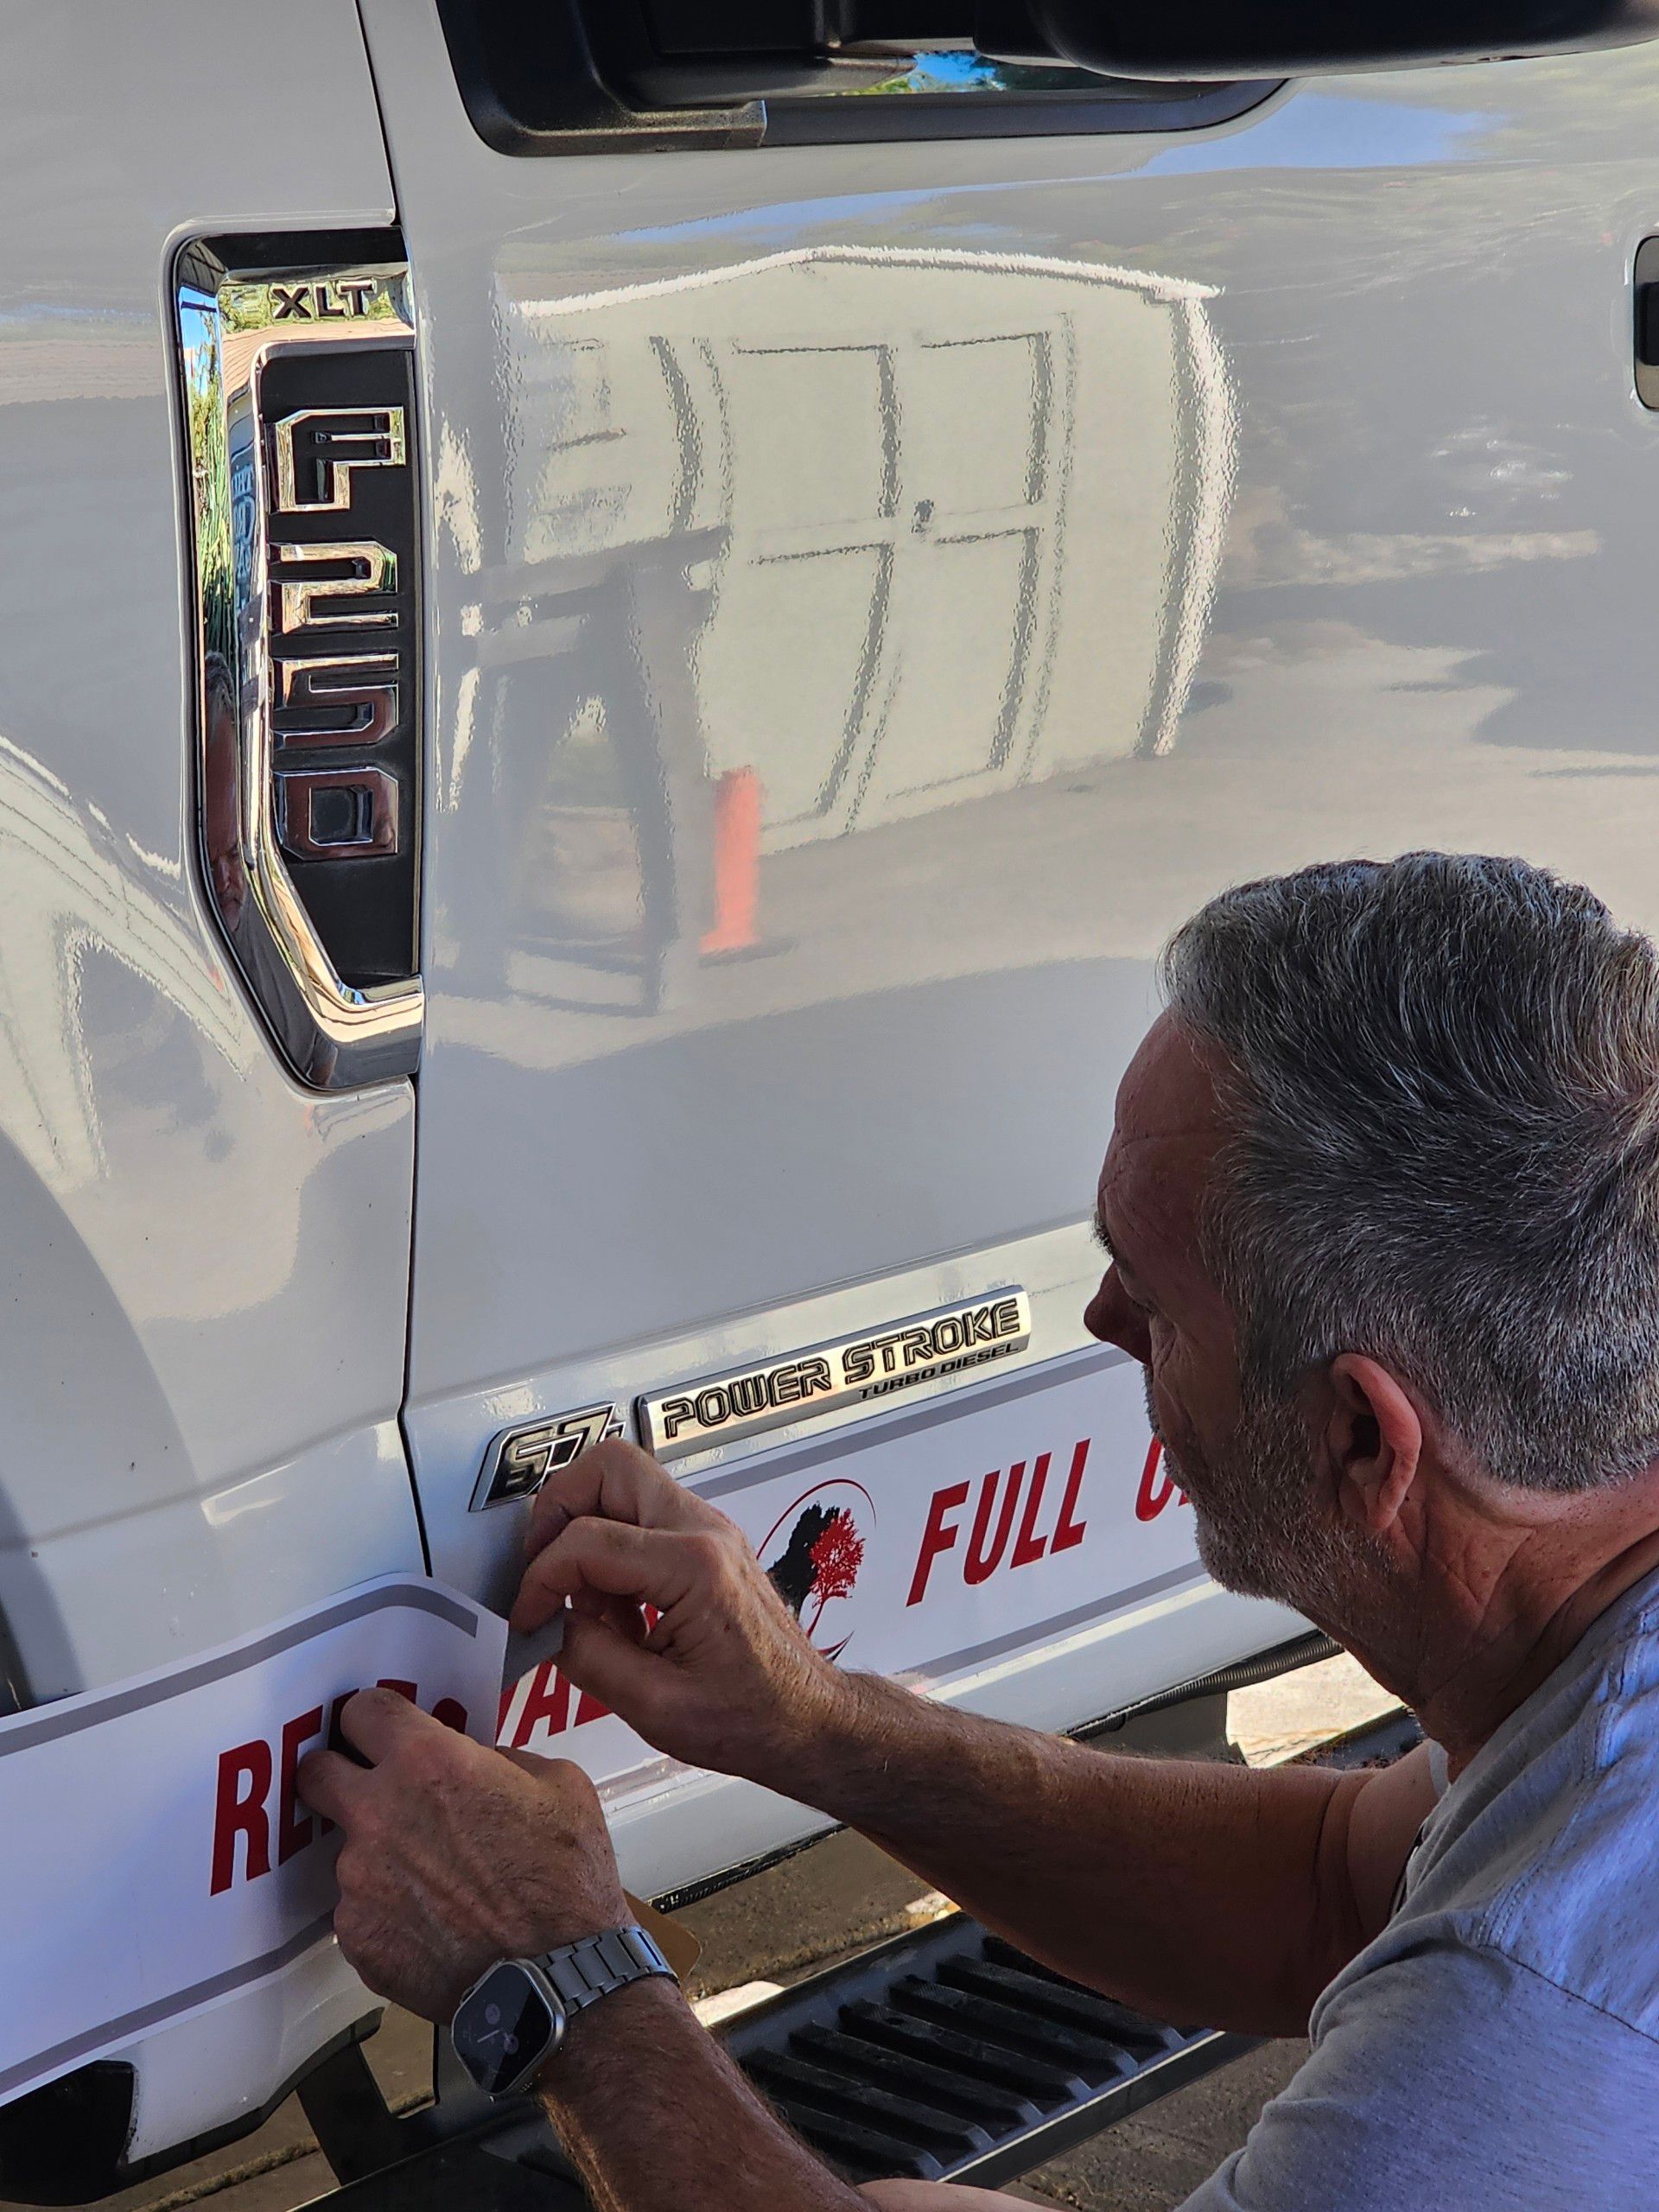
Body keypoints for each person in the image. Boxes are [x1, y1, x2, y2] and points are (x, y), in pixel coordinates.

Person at [299, 852, 1659, 2210]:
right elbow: (1327, 1888)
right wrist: (816, 1727)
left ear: (1362, 1437)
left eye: (1155, 1302)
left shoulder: (1524, 2025)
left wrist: (560, 1976)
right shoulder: (1584, 1687)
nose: (1104, 1321)